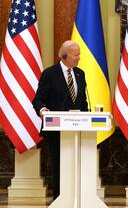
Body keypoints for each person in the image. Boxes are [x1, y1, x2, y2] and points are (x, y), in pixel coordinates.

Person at [32, 40, 88, 199]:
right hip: (56, 130)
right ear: (64, 56)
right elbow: (38, 100)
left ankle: (77, 198)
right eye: (76, 55)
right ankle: (59, 199)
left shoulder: (80, 73)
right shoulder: (49, 74)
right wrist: (43, 111)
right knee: (59, 166)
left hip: (78, 129)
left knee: (76, 166)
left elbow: (83, 102)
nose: (79, 58)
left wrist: (88, 117)